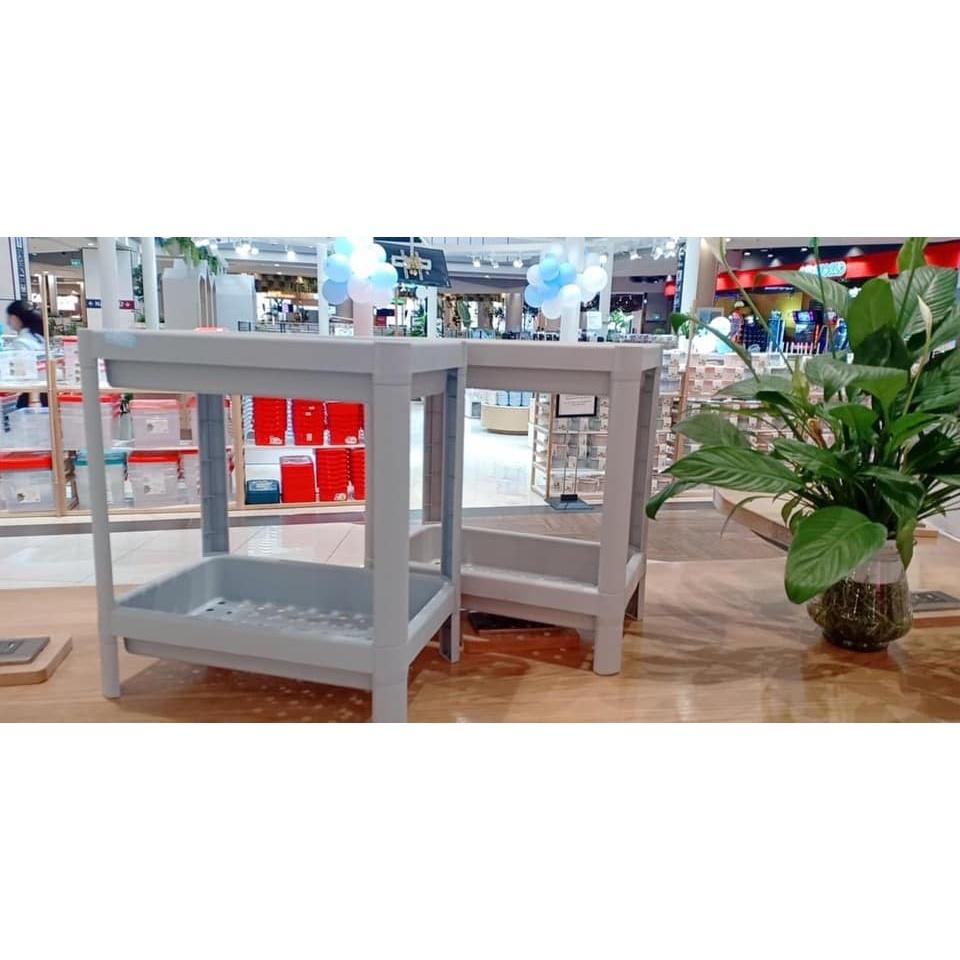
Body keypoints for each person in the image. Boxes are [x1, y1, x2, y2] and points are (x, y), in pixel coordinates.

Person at [4, 301, 47, 408]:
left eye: (8, 317)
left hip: (30, 395)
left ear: (14, 318)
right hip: (44, 391)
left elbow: (26, 374)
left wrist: (33, 401)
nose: (7, 322)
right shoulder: (39, 338)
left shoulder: (21, 343)